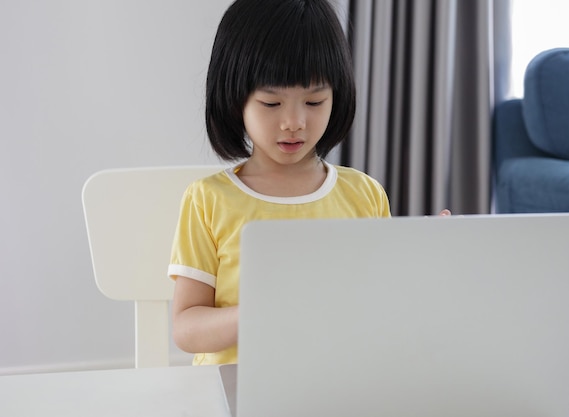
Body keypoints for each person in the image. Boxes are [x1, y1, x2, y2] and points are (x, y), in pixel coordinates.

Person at [168, 0, 446, 366]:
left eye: (314, 102)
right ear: (236, 100)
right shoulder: (208, 200)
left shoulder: (363, 195)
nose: (294, 122)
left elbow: (381, 304)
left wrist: (428, 261)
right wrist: (264, 311)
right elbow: (186, 329)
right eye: (271, 103)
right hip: (239, 389)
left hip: (339, 383)